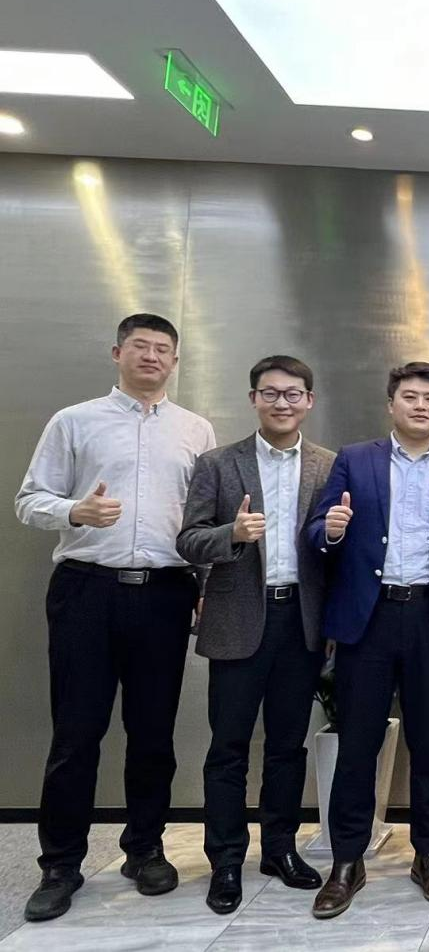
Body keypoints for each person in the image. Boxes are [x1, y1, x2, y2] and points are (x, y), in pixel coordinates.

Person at [15, 313, 216, 923]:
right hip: (87, 589)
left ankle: (144, 848)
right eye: (140, 346)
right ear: (117, 353)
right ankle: (60, 863)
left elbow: (202, 520)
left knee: (153, 732)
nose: (151, 357)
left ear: (175, 361)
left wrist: (205, 585)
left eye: (163, 349)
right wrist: (74, 512)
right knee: (76, 733)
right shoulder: (74, 421)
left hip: (165, 592)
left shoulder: (195, 429)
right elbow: (29, 500)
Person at [306, 362, 429, 919]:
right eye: (411, 396)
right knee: (358, 744)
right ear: (391, 404)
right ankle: (347, 860)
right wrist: (331, 531)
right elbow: (317, 531)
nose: (421, 406)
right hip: (369, 620)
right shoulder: (355, 459)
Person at [177, 355, 335, 913]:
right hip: (239, 619)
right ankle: (225, 860)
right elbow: (188, 540)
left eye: (293, 394)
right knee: (228, 747)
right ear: (253, 399)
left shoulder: (327, 465)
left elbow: (334, 549)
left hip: (301, 622)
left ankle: (280, 849)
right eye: (271, 393)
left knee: (288, 746)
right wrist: (233, 534)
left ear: (308, 401)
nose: (282, 403)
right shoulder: (219, 464)